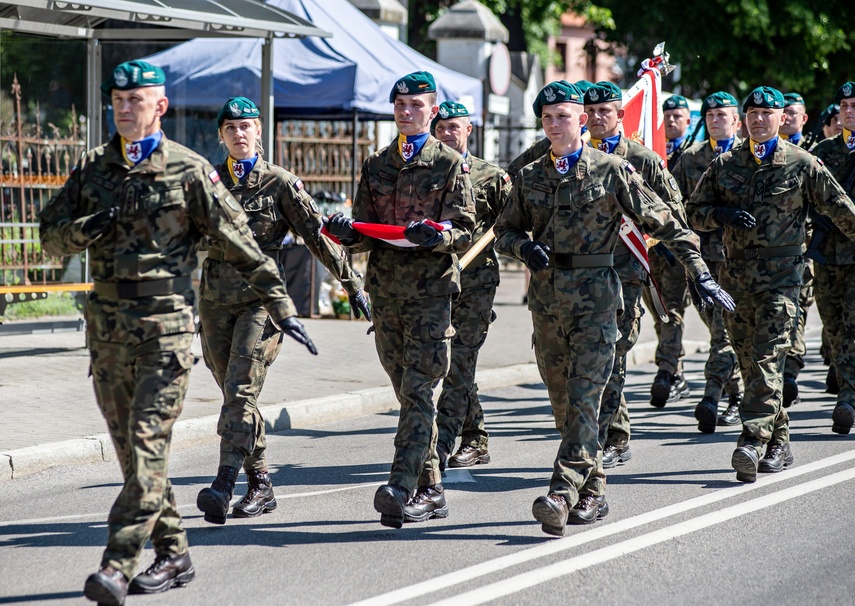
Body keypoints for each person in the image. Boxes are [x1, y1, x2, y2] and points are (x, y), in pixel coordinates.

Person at [38, 61, 316, 606]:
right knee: (134, 458)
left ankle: (118, 565)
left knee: (145, 448)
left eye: (135, 98)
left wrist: (283, 309)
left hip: (164, 339)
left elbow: (244, 245)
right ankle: (176, 553)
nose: (124, 107)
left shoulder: (190, 172)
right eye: (117, 98)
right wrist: (78, 232)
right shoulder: (94, 168)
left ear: (159, 107)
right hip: (107, 339)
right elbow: (49, 237)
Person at [494, 80, 733, 536]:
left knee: (587, 400)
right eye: (547, 118)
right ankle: (594, 489)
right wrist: (524, 249)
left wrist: (700, 273)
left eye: (563, 116)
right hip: (547, 305)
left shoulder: (612, 170)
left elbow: (667, 221)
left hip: (599, 301)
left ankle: (561, 493)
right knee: (564, 405)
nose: (554, 125)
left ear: (581, 121)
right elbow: (503, 232)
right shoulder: (529, 177)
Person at [194, 97, 370, 525]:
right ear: (221, 136)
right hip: (215, 301)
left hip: (261, 303)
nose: (239, 133)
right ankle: (261, 483)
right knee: (237, 396)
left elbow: (317, 236)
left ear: (259, 133)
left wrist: (351, 283)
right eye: (231, 127)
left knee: (240, 391)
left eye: (247, 126)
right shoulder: (205, 181)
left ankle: (223, 482)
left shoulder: (279, 183)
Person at [326, 71, 475, 528]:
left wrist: (434, 235)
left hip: (431, 295)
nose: (407, 112)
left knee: (417, 391)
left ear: (433, 111)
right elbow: (364, 230)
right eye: (400, 105)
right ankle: (432, 490)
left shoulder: (449, 164)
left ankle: (401, 484)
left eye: (417, 105)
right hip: (387, 294)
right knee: (406, 392)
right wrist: (345, 234)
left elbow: (465, 228)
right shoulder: (376, 165)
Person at [686, 85, 855, 482]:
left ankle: (751, 440)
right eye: (753, 114)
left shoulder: (802, 163)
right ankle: (779, 438)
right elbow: (693, 213)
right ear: (744, 120)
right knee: (749, 363)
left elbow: (842, 209)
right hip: (736, 279)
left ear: (782, 119)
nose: (759, 120)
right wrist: (723, 215)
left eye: (768, 113)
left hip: (783, 279)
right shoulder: (725, 165)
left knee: (767, 360)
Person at [581, 81, 687, 477]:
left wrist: (644, 237)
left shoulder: (643, 159)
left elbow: (674, 211)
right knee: (595, 359)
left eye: (604, 111)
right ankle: (616, 433)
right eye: (589, 112)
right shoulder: (577, 155)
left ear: (620, 115)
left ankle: (608, 439)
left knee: (615, 355)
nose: (595, 118)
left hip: (625, 272)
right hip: (582, 274)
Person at [431, 101, 512, 470]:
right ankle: (476, 437)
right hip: (434, 282)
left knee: (461, 359)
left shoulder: (490, 176)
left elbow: (512, 222)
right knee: (448, 363)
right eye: (442, 126)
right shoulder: (426, 172)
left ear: (469, 131)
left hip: (477, 282)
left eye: (455, 127)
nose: (448, 133)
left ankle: (440, 444)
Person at [672, 91, 746, 432]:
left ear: (736, 121)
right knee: (714, 324)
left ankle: (712, 395)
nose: (716, 120)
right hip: (701, 259)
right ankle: (738, 392)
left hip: (737, 259)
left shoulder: (745, 158)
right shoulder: (690, 159)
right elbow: (679, 206)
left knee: (723, 331)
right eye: (711, 115)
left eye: (723, 115)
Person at [811, 81, 855, 435]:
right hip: (826, 256)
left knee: (853, 328)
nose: (848, 111)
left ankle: (848, 398)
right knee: (834, 327)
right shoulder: (822, 151)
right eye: (844, 106)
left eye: (854, 105)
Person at [779, 92, 815, 406]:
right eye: (784, 112)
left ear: (803, 118)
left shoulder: (812, 153)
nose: (787, 117)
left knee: (798, 310)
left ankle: (791, 368)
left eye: (793, 113)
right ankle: (786, 371)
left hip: (809, 249)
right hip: (777, 252)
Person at [664, 94, 693, 167]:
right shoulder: (653, 147)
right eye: (667, 116)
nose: (671, 119)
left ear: (688, 122)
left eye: (676, 116)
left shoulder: (695, 151)